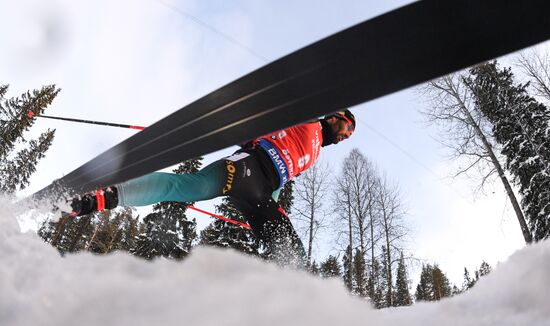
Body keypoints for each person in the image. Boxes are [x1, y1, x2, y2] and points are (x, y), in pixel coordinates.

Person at [68, 110, 356, 266]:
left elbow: (284, 179)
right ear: (335, 117)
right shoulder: (309, 119)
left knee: (292, 253)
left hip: (263, 192)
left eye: (349, 135)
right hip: (248, 166)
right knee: (184, 187)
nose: (346, 136)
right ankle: (102, 197)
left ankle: (293, 305)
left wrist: (273, 204)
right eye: (347, 128)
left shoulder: (316, 153)